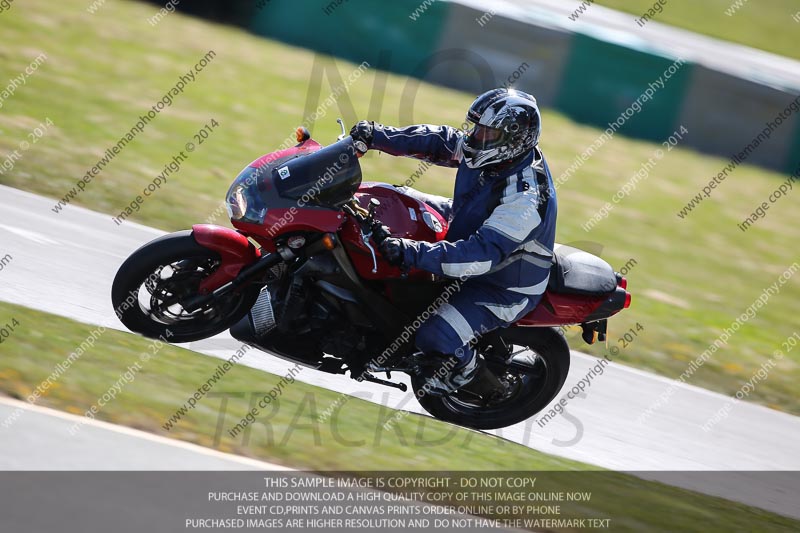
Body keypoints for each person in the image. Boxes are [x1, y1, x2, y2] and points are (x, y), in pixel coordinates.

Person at [350, 88, 558, 394]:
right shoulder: (492, 151)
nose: (475, 138)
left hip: (500, 283)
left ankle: (470, 374)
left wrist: (411, 252)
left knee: (436, 336)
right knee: (389, 198)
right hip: (467, 226)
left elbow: (479, 257)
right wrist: (377, 136)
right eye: (476, 128)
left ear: (514, 140)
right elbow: (439, 141)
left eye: (487, 133)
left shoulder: (526, 197)